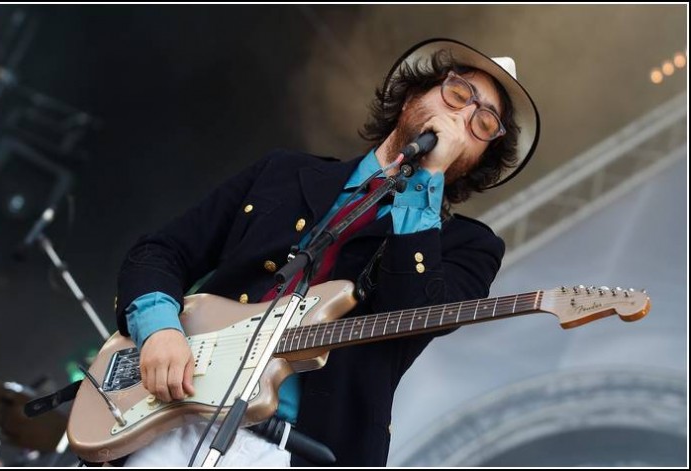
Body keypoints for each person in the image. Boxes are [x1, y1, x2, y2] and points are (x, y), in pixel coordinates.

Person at [114, 38, 540, 467]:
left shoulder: (470, 246)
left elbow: (414, 311)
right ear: (413, 95)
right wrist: (160, 329)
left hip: (292, 450)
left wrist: (424, 183)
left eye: (484, 123)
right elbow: (162, 250)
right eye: (458, 94)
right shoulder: (283, 172)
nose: (463, 115)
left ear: (483, 155)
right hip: (174, 415)